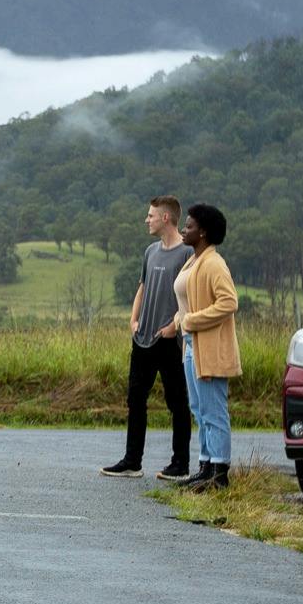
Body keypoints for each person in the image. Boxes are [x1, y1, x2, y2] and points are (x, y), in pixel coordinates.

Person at [100, 195, 193, 478]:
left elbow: (190, 296)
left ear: (166, 218)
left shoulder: (187, 254)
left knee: (177, 402)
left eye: (151, 215)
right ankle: (132, 461)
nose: (146, 220)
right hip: (142, 338)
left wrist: (174, 327)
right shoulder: (150, 251)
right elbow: (143, 286)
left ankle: (180, 464)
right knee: (135, 399)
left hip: (169, 340)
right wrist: (133, 318)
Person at [165, 203, 240, 489]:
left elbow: (229, 302)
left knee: (213, 409)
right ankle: (206, 465)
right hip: (189, 343)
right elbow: (188, 300)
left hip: (207, 346)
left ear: (204, 232)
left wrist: (192, 320)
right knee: (198, 408)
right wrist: (177, 323)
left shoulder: (213, 263)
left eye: (190, 226)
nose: (184, 230)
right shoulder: (195, 260)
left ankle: (219, 472)